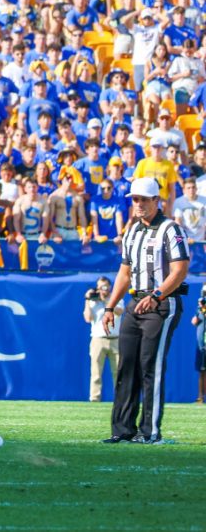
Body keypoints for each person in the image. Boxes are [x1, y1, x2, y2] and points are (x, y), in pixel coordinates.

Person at [102, 177, 190, 444]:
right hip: (134, 302)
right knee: (126, 365)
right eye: (134, 199)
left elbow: (180, 269)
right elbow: (124, 273)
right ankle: (122, 430)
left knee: (150, 365)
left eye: (143, 199)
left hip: (163, 303)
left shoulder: (170, 229)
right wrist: (109, 306)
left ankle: (150, 431)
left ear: (156, 200)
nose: (138, 204)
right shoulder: (132, 232)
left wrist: (156, 295)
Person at [84, 276, 120, 402]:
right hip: (98, 339)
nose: (102, 290)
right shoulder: (93, 301)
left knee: (118, 372)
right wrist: (87, 300)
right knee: (96, 372)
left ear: (109, 287)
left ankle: (120, 399)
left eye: (104, 287)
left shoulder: (115, 298)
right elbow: (88, 318)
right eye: (100, 287)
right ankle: (95, 398)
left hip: (115, 339)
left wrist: (106, 302)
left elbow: (119, 311)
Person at [193, 288, 206, 404]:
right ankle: (200, 397)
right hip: (201, 344)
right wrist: (201, 310)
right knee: (202, 371)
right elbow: (194, 322)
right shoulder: (201, 309)